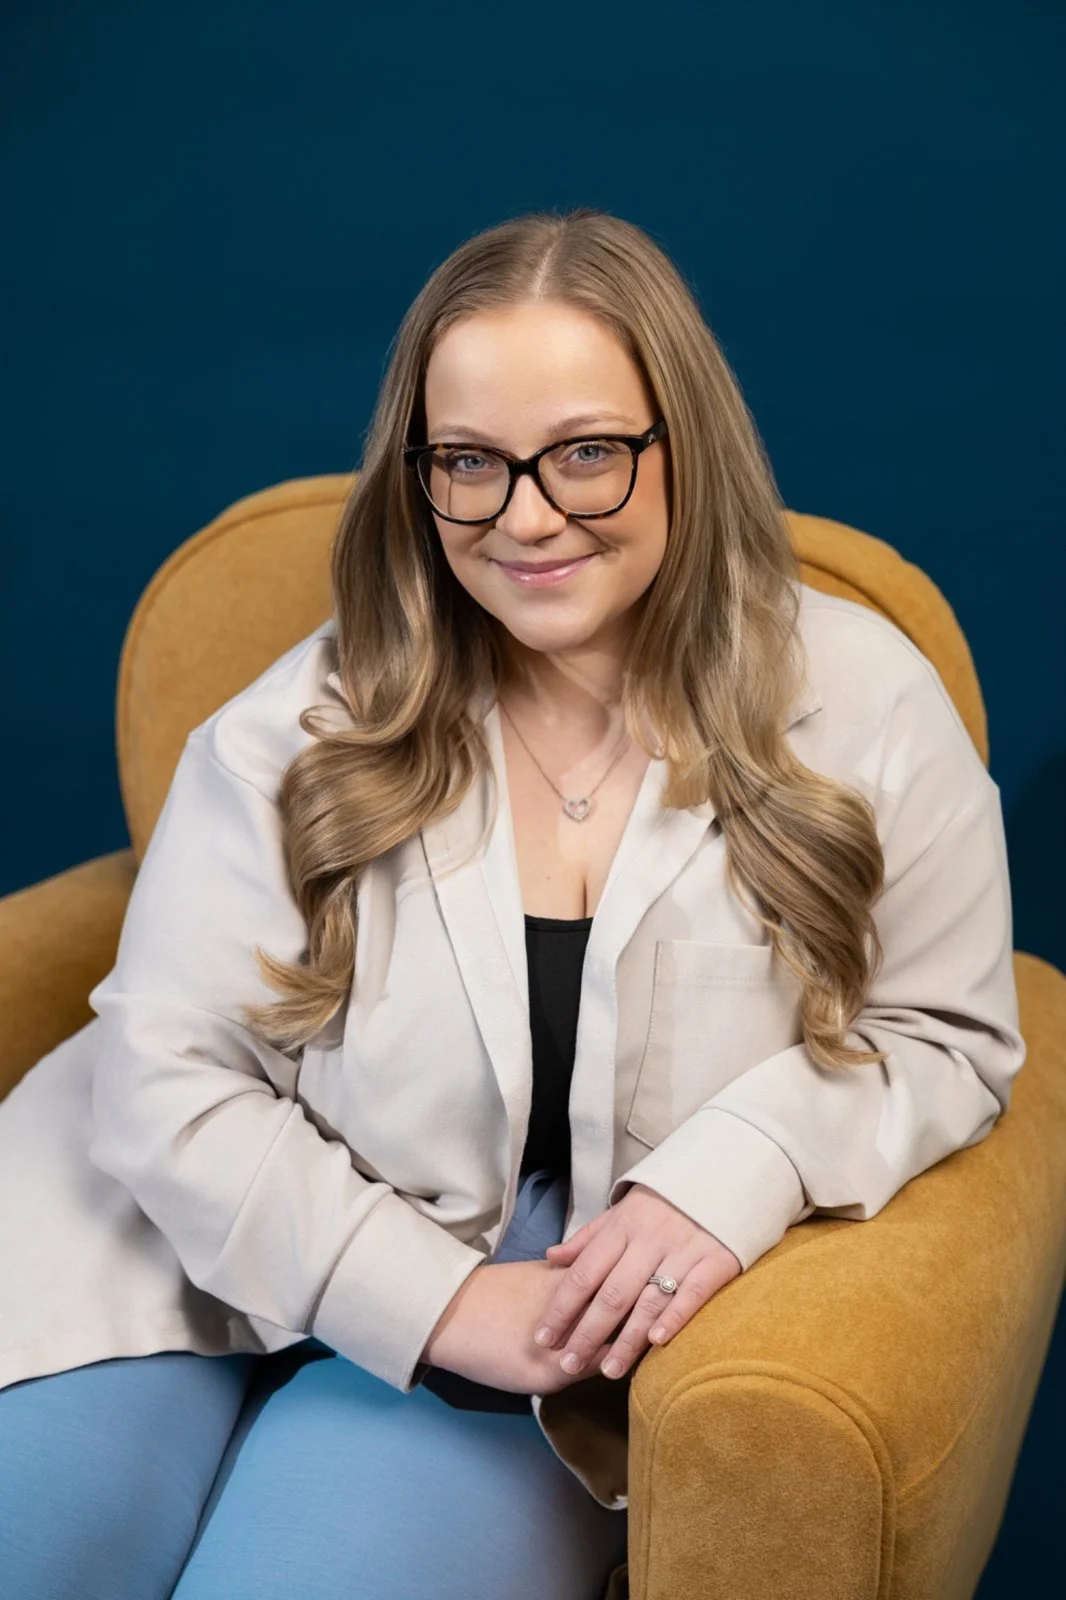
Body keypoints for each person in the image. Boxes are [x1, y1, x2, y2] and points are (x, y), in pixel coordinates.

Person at [0, 207, 1026, 1599]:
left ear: (684, 444)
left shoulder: (864, 704)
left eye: (587, 453)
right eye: (469, 464)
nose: (526, 516)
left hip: (551, 1312)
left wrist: (739, 1168)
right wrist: (434, 1300)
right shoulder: (299, 720)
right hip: (167, 1247)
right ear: (416, 473)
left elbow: (944, 1030)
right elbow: (164, 1077)